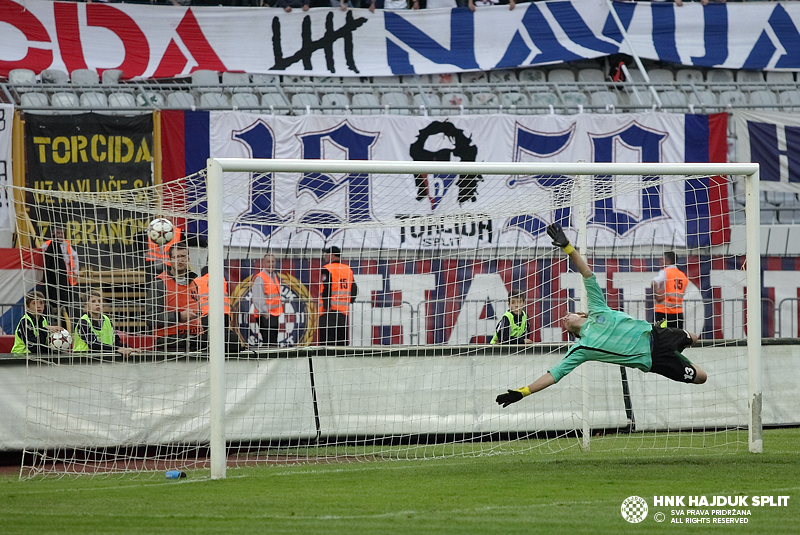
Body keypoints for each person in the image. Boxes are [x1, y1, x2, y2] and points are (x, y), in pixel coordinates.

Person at [496, 223, 706, 408]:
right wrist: (524, 392)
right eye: (565, 324)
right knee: (701, 378)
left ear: (580, 313)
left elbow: (587, 273)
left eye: (566, 316)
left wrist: (568, 247)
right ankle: (680, 360)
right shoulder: (582, 348)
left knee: (694, 338)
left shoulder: (598, 308)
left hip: (658, 335)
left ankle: (681, 350)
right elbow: (554, 375)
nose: (565, 319)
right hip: (653, 360)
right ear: (572, 332)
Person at [147, 242, 204, 352]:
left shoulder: (194, 283)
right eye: (176, 257)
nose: (180, 260)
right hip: (170, 341)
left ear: (188, 258)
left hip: (195, 339)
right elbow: (150, 318)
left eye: (183, 256)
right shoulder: (159, 283)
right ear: (170, 260)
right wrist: (179, 316)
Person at [72, 290, 134, 357]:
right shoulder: (83, 322)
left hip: (105, 359)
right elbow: (93, 344)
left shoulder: (107, 320)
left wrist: (128, 348)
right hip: (83, 359)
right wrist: (117, 349)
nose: (97, 304)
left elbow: (115, 341)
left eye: (99, 301)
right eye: (93, 302)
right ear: (86, 306)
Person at [40, 224, 79, 323]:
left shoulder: (67, 245)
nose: (60, 235)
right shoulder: (47, 244)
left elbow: (75, 257)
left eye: (62, 233)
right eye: (58, 233)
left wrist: (76, 272)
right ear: (53, 234)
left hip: (66, 277)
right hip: (52, 277)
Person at [318, 246, 357, 346]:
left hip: (329, 311)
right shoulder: (348, 269)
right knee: (341, 342)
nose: (324, 256)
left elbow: (326, 288)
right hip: (343, 312)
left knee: (327, 343)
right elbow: (354, 289)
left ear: (332, 255)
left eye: (326, 254)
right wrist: (349, 301)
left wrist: (326, 306)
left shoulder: (327, 269)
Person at [251, 254, 283, 347]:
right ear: (263, 263)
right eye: (268, 261)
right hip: (265, 315)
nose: (271, 264)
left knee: (273, 342)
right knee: (269, 342)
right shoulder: (260, 278)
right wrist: (265, 313)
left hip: (274, 314)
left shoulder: (274, 276)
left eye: (273, 261)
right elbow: (257, 298)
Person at [651, 251, 689, 329]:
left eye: (663, 259)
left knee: (661, 336)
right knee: (676, 337)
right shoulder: (683, 276)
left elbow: (654, 283)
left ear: (667, 260)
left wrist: (657, 295)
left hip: (663, 312)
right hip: (678, 313)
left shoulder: (665, 272)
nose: (661, 261)